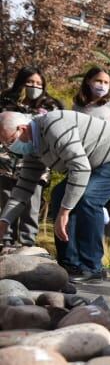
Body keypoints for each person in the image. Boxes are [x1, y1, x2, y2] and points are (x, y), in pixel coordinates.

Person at [0, 110, 110, 282]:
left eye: (10, 141)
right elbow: (24, 188)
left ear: (23, 129)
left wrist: (65, 212)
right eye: (4, 144)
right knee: (59, 194)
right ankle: (69, 264)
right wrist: (4, 221)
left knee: (88, 197)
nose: (9, 147)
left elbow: (80, 168)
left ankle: (91, 267)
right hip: (96, 163)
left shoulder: (54, 126)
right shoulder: (34, 149)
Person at [0, 66, 63, 250]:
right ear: (21, 82)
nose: (34, 86)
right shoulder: (5, 101)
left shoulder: (51, 107)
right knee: (6, 203)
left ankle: (27, 244)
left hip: (37, 165)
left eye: (38, 83)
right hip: (5, 162)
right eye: (30, 82)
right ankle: (6, 242)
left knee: (31, 205)